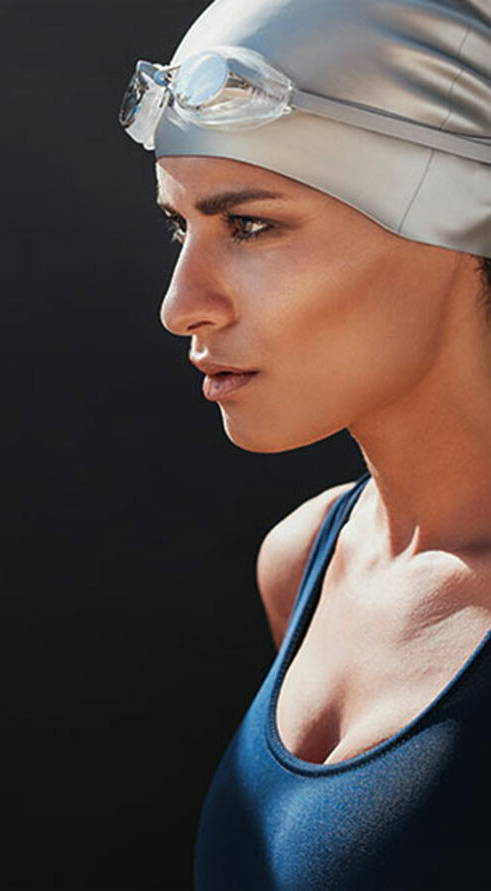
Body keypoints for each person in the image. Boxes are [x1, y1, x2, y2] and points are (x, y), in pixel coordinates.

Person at [119, 0, 491, 887]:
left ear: (458, 221)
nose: (180, 306)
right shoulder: (303, 563)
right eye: (180, 226)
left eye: (249, 226)